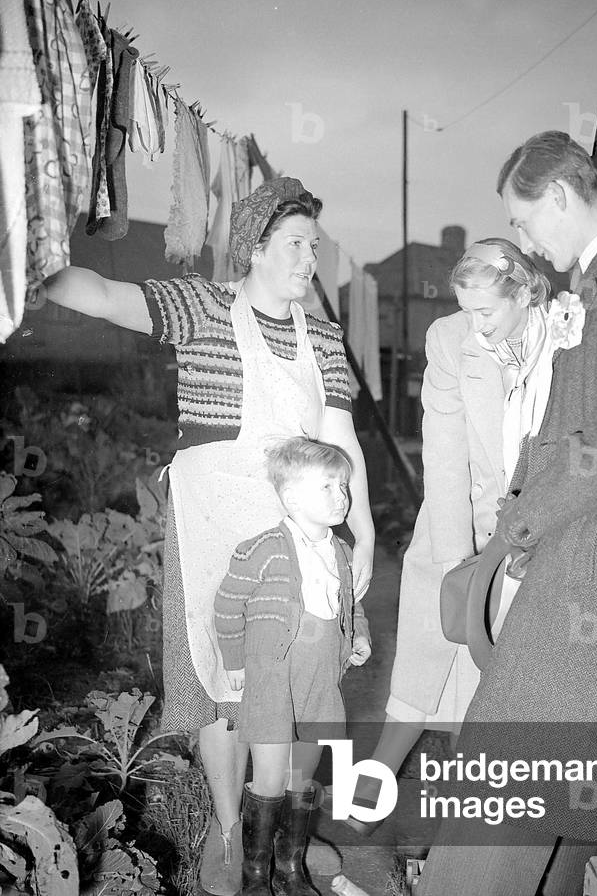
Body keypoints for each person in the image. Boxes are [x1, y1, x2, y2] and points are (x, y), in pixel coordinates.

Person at [38, 177, 375, 896]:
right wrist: (27, 255)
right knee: (216, 683)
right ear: (254, 247)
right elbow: (98, 294)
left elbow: (343, 443)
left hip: (295, 536)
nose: (308, 257)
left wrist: (366, 535)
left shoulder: (323, 336)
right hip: (213, 526)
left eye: (313, 245)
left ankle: (284, 836)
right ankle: (229, 833)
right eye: (294, 243)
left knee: (296, 685)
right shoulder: (202, 306)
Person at [415, 132, 597, 896]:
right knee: (566, 774)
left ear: (563, 196)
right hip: (582, 554)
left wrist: (523, 519)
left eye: (526, 219)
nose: (526, 239)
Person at [349, 238, 552, 825]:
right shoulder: (450, 339)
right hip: (456, 517)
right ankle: (374, 787)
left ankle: (465, 827)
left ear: (523, 292)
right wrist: (459, 564)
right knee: (422, 658)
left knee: (494, 690)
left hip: (540, 536)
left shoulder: (566, 336)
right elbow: (443, 454)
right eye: (466, 309)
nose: (475, 324)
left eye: (485, 310)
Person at [214, 436, 371, 896]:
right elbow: (227, 605)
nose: (342, 497)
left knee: (302, 776)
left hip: (320, 685)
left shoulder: (341, 553)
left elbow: (352, 604)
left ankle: (290, 870)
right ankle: (255, 878)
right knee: (268, 777)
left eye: (344, 486)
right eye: (328, 487)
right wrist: (235, 659)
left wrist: (358, 634)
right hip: (273, 683)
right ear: (292, 497)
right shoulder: (261, 549)